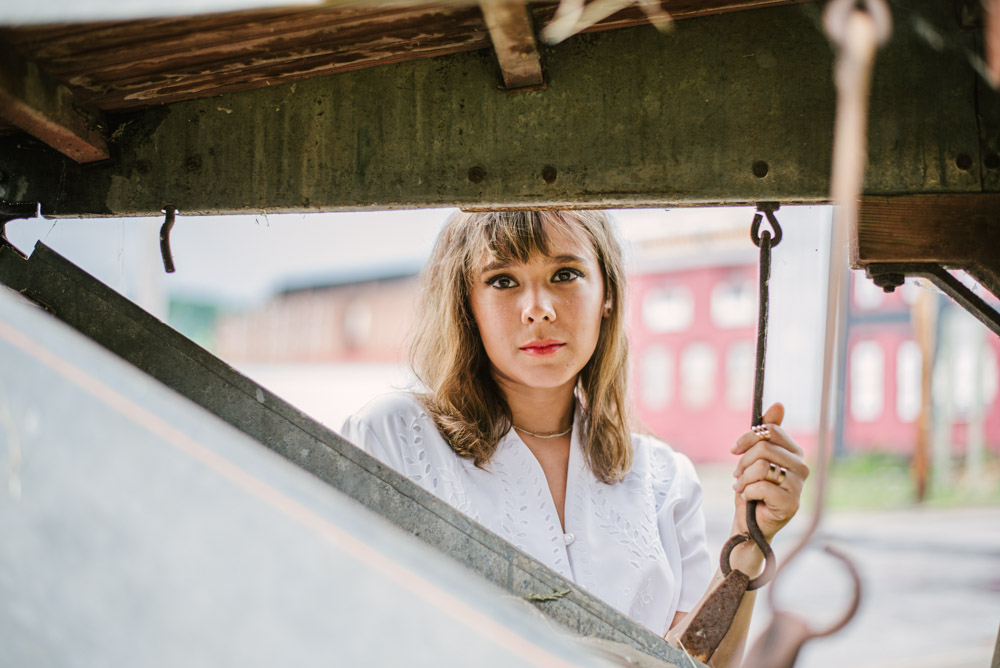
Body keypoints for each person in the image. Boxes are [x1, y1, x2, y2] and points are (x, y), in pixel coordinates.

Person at [340, 210, 808, 666]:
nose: (538, 310)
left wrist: (749, 538)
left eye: (565, 275)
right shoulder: (395, 439)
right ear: (467, 303)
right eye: (503, 281)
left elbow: (695, 664)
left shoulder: (664, 479)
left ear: (607, 294)